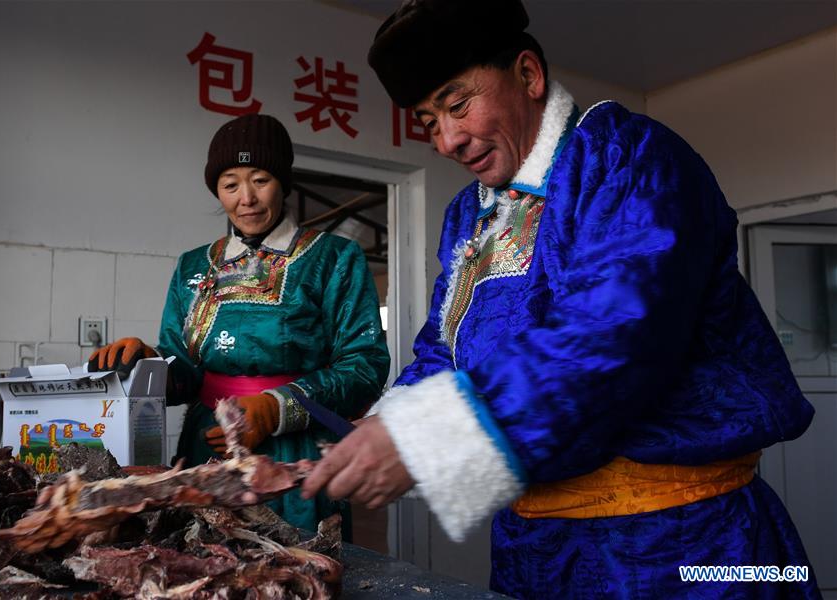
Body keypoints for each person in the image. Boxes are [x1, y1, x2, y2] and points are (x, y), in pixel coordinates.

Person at [302, 0, 820, 596]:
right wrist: (381, 429)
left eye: (457, 103)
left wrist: (426, 438)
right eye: (427, 121)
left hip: (685, 547)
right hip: (535, 549)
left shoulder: (628, 156)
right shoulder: (470, 218)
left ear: (528, 75)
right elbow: (447, 354)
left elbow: (617, 329)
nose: (447, 139)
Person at [90, 113, 390, 533]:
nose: (245, 198)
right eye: (230, 184)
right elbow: (183, 364)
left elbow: (364, 365)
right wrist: (148, 363)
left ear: (283, 182)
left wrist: (273, 409)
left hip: (294, 453)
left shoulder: (334, 258)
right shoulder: (193, 265)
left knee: (295, 569)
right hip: (205, 449)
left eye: (260, 179)